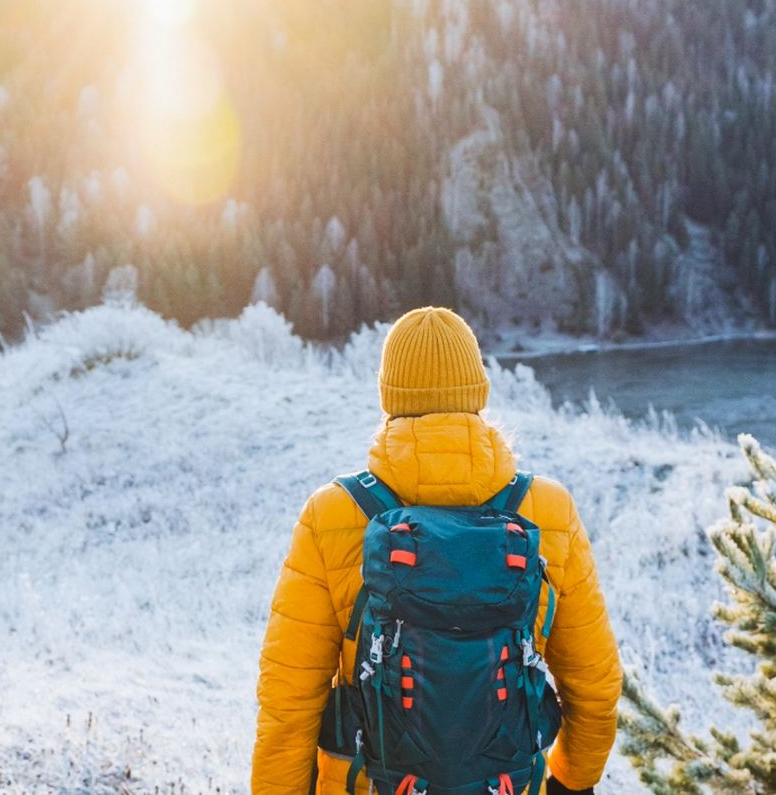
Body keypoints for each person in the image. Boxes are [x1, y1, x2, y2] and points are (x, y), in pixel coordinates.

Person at [251, 306, 621, 795]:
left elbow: (288, 704)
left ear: (388, 397)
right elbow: (596, 688)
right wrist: (571, 782)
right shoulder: (547, 509)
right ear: (479, 394)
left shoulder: (333, 514)